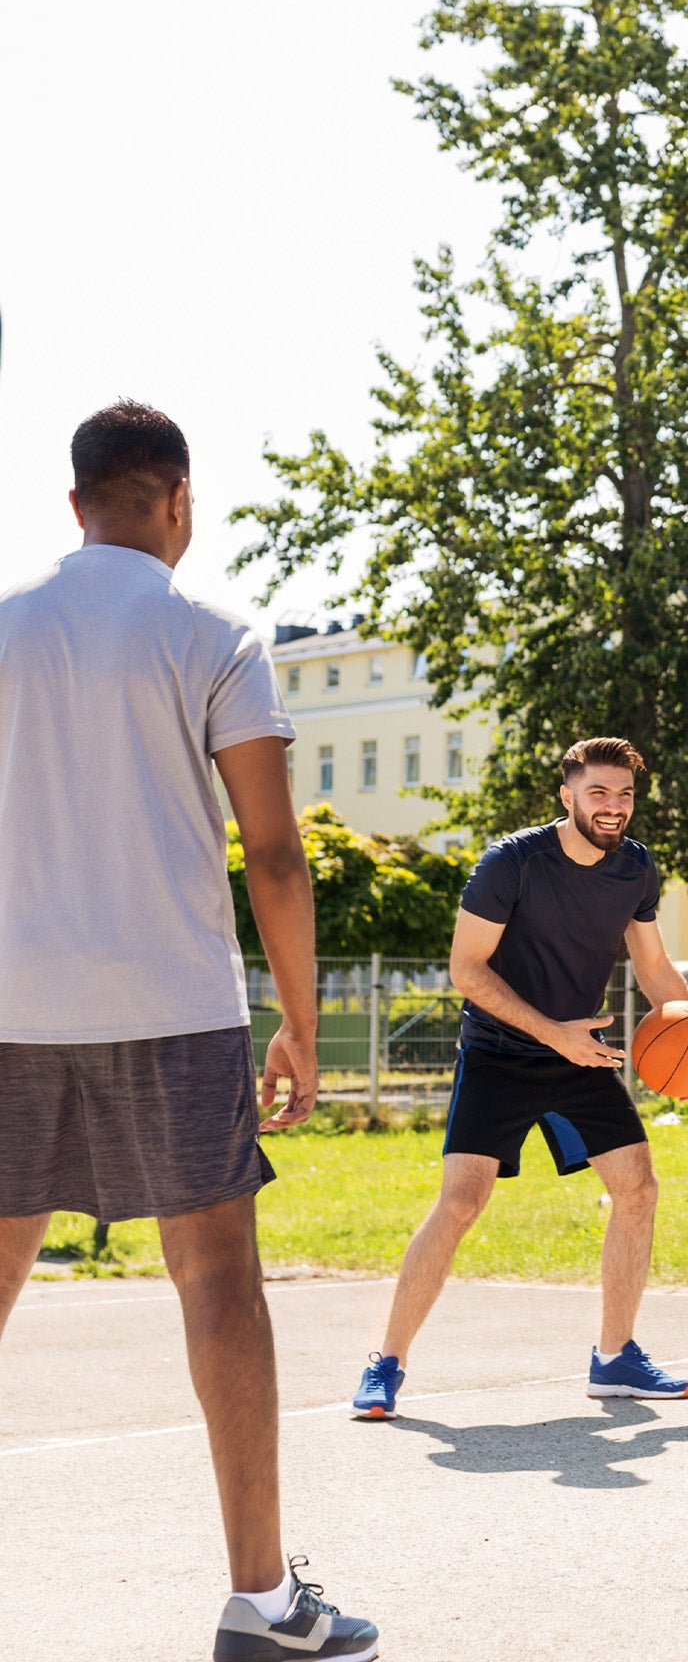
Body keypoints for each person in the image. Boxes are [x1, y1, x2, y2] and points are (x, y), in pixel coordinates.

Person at [0, 402, 378, 1662]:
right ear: (177, 500)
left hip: (8, 1006)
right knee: (217, 1278)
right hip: (172, 1005)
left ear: (75, 504)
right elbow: (273, 850)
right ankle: (262, 1605)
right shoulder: (217, 633)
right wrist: (302, 1026)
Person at [351, 736, 688, 1418]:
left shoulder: (634, 869)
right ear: (568, 795)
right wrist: (554, 1035)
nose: (613, 807)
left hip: (581, 1052)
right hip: (500, 1051)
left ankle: (614, 1359)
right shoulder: (511, 863)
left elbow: (654, 967)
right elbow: (466, 970)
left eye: (625, 795)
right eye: (599, 793)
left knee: (637, 1188)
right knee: (461, 1201)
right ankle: (387, 1362)